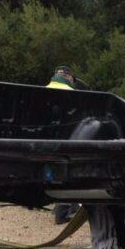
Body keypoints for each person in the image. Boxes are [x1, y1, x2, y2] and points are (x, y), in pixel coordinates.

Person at [46, 66, 81, 224]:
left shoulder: (42, 90)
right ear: (69, 77)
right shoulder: (72, 93)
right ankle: (63, 212)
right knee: (69, 175)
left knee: (51, 173)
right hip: (66, 141)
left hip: (44, 141)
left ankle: (60, 205)